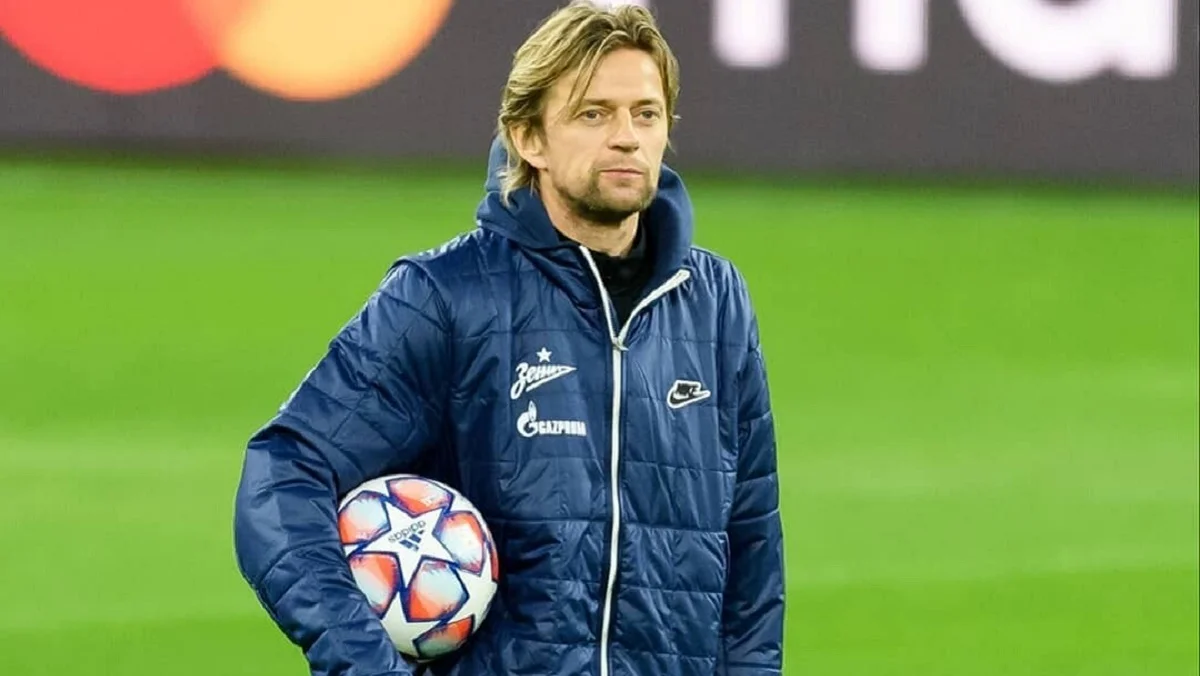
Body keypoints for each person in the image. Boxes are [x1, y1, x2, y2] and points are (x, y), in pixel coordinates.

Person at [232, 2, 785, 675]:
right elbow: (284, 475)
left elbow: (751, 551)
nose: (627, 138)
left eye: (646, 113)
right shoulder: (444, 297)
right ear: (529, 138)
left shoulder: (716, 303)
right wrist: (362, 663)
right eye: (593, 114)